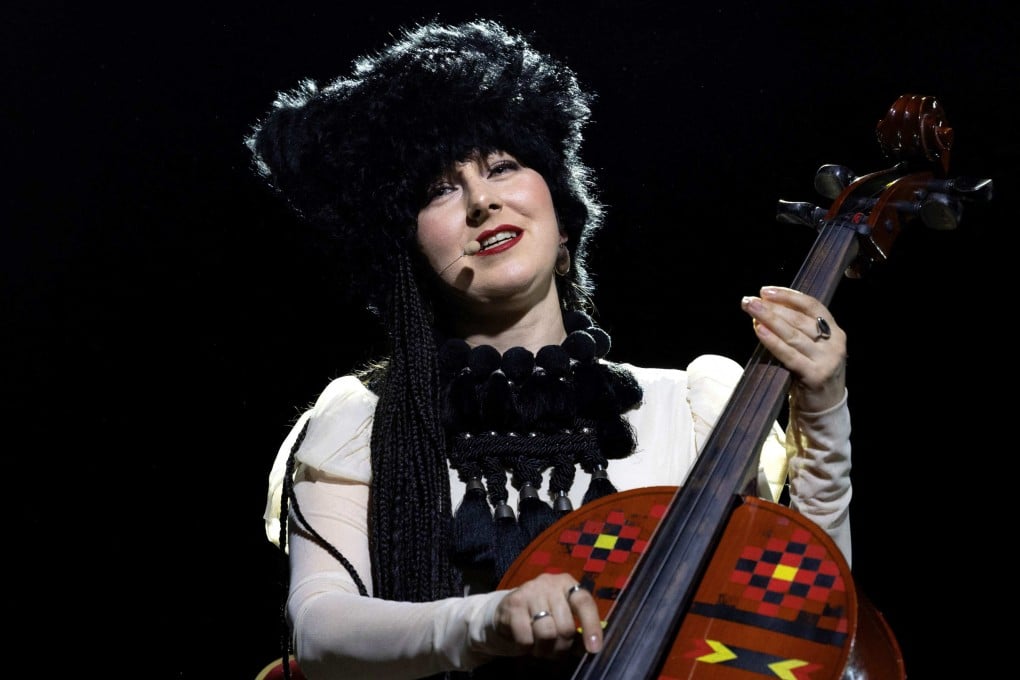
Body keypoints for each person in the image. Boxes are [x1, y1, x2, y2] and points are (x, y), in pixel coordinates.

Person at [247, 18, 851, 680]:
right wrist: (483, 621)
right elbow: (322, 629)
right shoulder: (359, 419)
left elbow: (803, 623)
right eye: (440, 189)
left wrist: (821, 409)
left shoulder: (690, 403)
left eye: (503, 166)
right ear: (411, 253)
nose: (482, 200)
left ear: (564, 222)